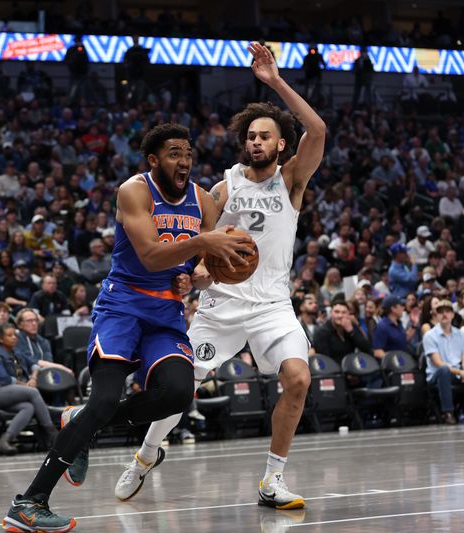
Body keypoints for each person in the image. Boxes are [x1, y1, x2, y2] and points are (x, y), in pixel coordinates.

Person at [2, 121, 251, 531]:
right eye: (174, 153)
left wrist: (200, 275)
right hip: (123, 304)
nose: (184, 160)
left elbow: (204, 268)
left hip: (166, 311)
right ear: (153, 160)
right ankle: (28, 502)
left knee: (177, 393)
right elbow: (153, 256)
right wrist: (203, 245)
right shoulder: (133, 190)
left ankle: (79, 419)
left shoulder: (204, 201)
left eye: (188, 153)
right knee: (104, 400)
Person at [114, 42, 325, 512]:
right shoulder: (221, 189)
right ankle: (147, 455)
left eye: (265, 136)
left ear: (281, 144)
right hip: (222, 306)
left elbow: (318, 128)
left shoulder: (292, 181)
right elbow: (203, 252)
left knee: (298, 379)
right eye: (250, 135)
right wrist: (201, 277)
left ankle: (273, 479)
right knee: (180, 389)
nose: (256, 142)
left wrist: (273, 82)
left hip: (272, 306)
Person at [0, 322, 58, 455]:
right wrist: (27, 385)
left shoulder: (17, 352)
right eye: (9, 335)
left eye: (15, 335)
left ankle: (4, 441)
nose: (14, 337)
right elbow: (5, 380)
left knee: (28, 407)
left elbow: (34, 365)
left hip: (12, 393)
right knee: (33, 392)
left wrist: (33, 378)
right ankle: (53, 434)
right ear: (1, 339)